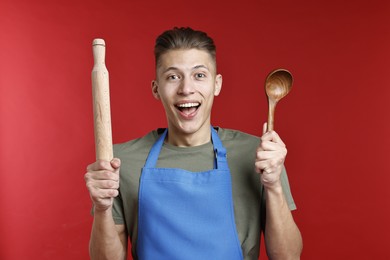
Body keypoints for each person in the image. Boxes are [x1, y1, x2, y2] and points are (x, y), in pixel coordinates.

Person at [84, 27, 302, 260]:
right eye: (173, 77)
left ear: (216, 84)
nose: (186, 89)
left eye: (199, 75)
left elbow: (288, 257)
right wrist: (102, 208)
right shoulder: (120, 162)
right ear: (156, 89)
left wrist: (273, 185)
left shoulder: (258, 156)